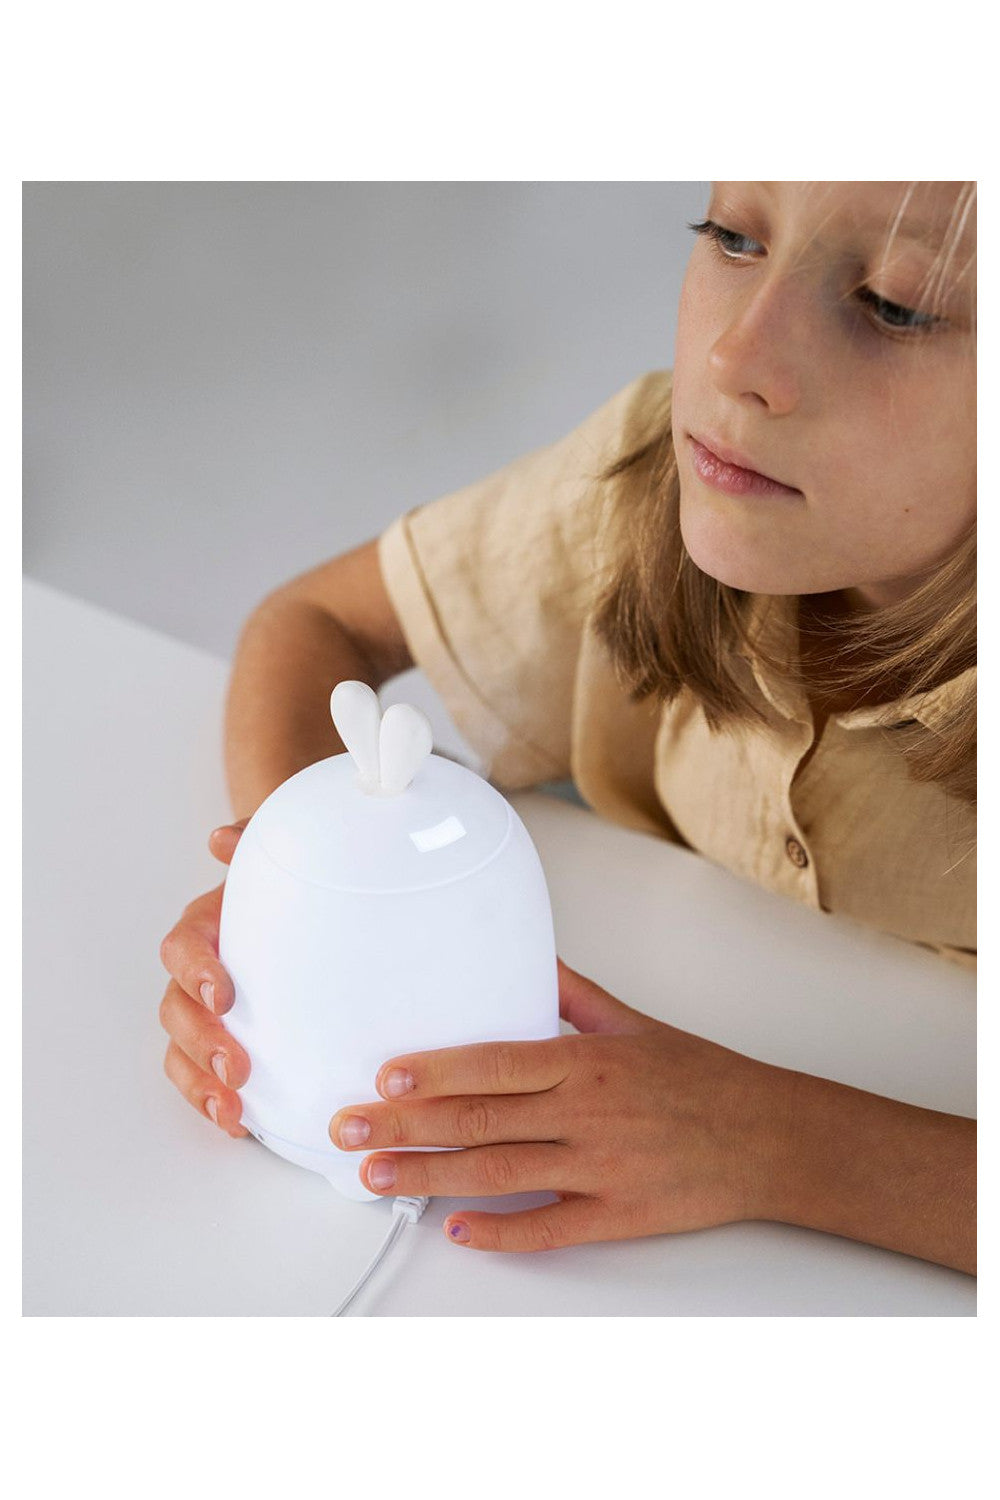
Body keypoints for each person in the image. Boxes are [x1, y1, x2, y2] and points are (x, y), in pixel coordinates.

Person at [158, 181, 976, 1274]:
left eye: (892, 305)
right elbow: (316, 623)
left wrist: (772, 1143)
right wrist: (297, 887)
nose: (735, 357)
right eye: (734, 234)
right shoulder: (653, 475)